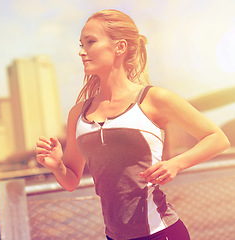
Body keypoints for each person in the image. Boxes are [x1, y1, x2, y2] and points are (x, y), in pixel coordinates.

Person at [35, 9, 230, 240]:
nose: (81, 52)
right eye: (81, 44)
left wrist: (176, 163)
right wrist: (57, 166)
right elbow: (71, 181)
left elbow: (218, 138)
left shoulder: (154, 99)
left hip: (162, 233)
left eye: (90, 42)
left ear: (120, 47)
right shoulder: (78, 113)